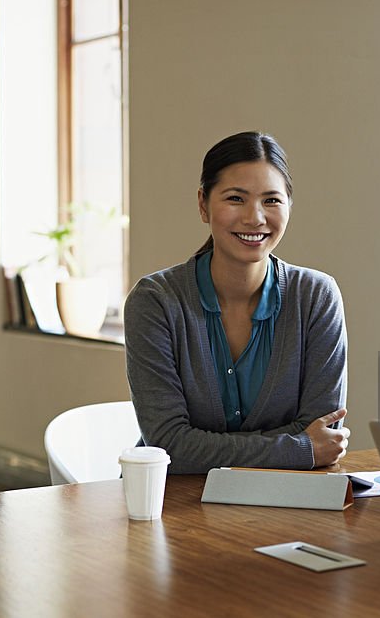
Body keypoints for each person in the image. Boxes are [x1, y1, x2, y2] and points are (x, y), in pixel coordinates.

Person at [124, 132, 350, 474]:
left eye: (271, 200)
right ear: (203, 203)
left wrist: (204, 448)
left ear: (290, 205)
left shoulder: (316, 297)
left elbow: (325, 434)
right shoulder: (155, 302)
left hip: (287, 504)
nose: (255, 218)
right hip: (172, 505)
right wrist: (298, 448)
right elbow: (168, 445)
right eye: (235, 198)